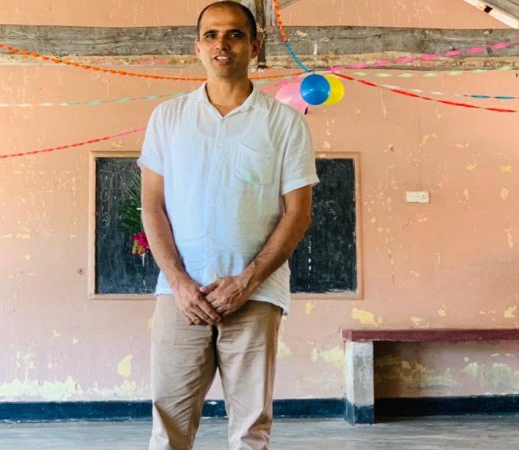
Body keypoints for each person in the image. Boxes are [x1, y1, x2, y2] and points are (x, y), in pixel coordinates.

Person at [138, 1, 318, 449]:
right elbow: (152, 207)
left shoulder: (285, 123)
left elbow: (298, 213)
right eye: (212, 35)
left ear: (255, 46)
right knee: (169, 426)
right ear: (197, 47)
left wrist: (246, 280)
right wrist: (178, 281)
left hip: (255, 295)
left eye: (235, 34)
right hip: (181, 297)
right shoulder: (168, 118)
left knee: (251, 429)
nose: (223, 44)